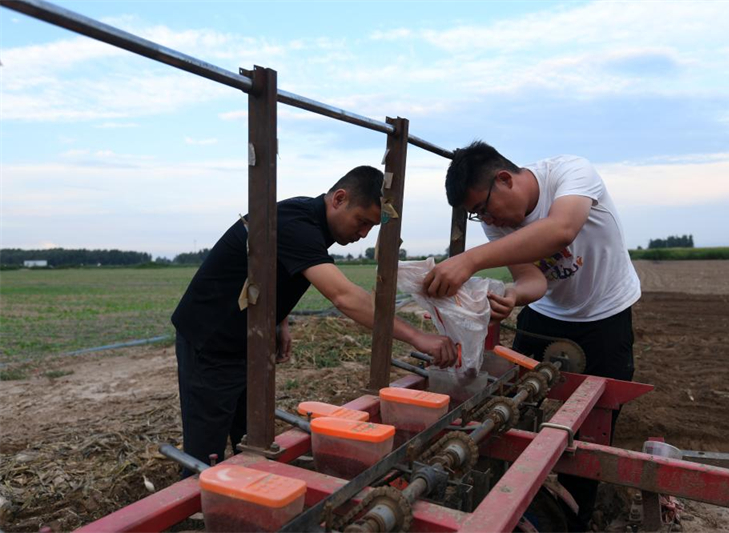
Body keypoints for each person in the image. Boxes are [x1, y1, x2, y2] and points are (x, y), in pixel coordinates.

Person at [172, 165, 457, 476]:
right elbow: (345, 297)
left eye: (370, 228)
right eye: (361, 222)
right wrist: (418, 336)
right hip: (211, 340)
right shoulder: (298, 224)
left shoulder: (307, 223)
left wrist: (280, 319)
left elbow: (267, 270)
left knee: (249, 434)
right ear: (338, 198)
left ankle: (245, 489)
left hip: (248, 339)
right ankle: (196, 507)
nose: (362, 234)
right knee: (205, 451)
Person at [424, 141, 640, 531]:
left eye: (484, 209)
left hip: (604, 316)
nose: (487, 219)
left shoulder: (570, 173)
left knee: (592, 429)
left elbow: (561, 230)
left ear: (504, 179)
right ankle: (510, 507)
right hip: (545, 315)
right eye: (477, 215)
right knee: (505, 411)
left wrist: (469, 259)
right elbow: (532, 279)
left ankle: (577, 519)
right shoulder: (497, 222)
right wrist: (513, 296)